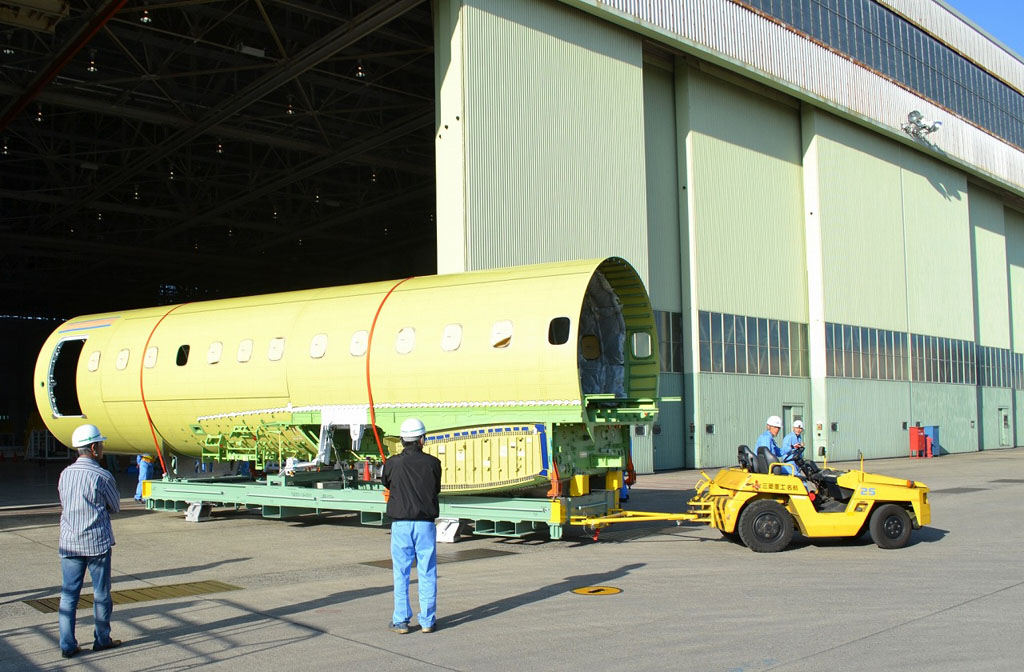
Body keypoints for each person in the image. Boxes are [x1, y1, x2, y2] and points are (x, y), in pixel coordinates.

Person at [57, 424, 123, 658]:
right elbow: (115, 506)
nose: (102, 448)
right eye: (101, 444)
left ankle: (67, 645)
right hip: (97, 544)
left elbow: (65, 503)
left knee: (69, 595)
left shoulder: (65, 474)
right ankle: (102, 639)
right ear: (94, 448)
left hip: (69, 542)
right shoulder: (102, 476)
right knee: (101, 593)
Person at [381, 418, 441, 634]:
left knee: (401, 572)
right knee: (427, 571)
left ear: (402, 440)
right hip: (425, 524)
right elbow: (436, 488)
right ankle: (427, 620)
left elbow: (386, 482)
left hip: (401, 524)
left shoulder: (392, 463)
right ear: (422, 439)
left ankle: (401, 620)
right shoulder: (433, 463)